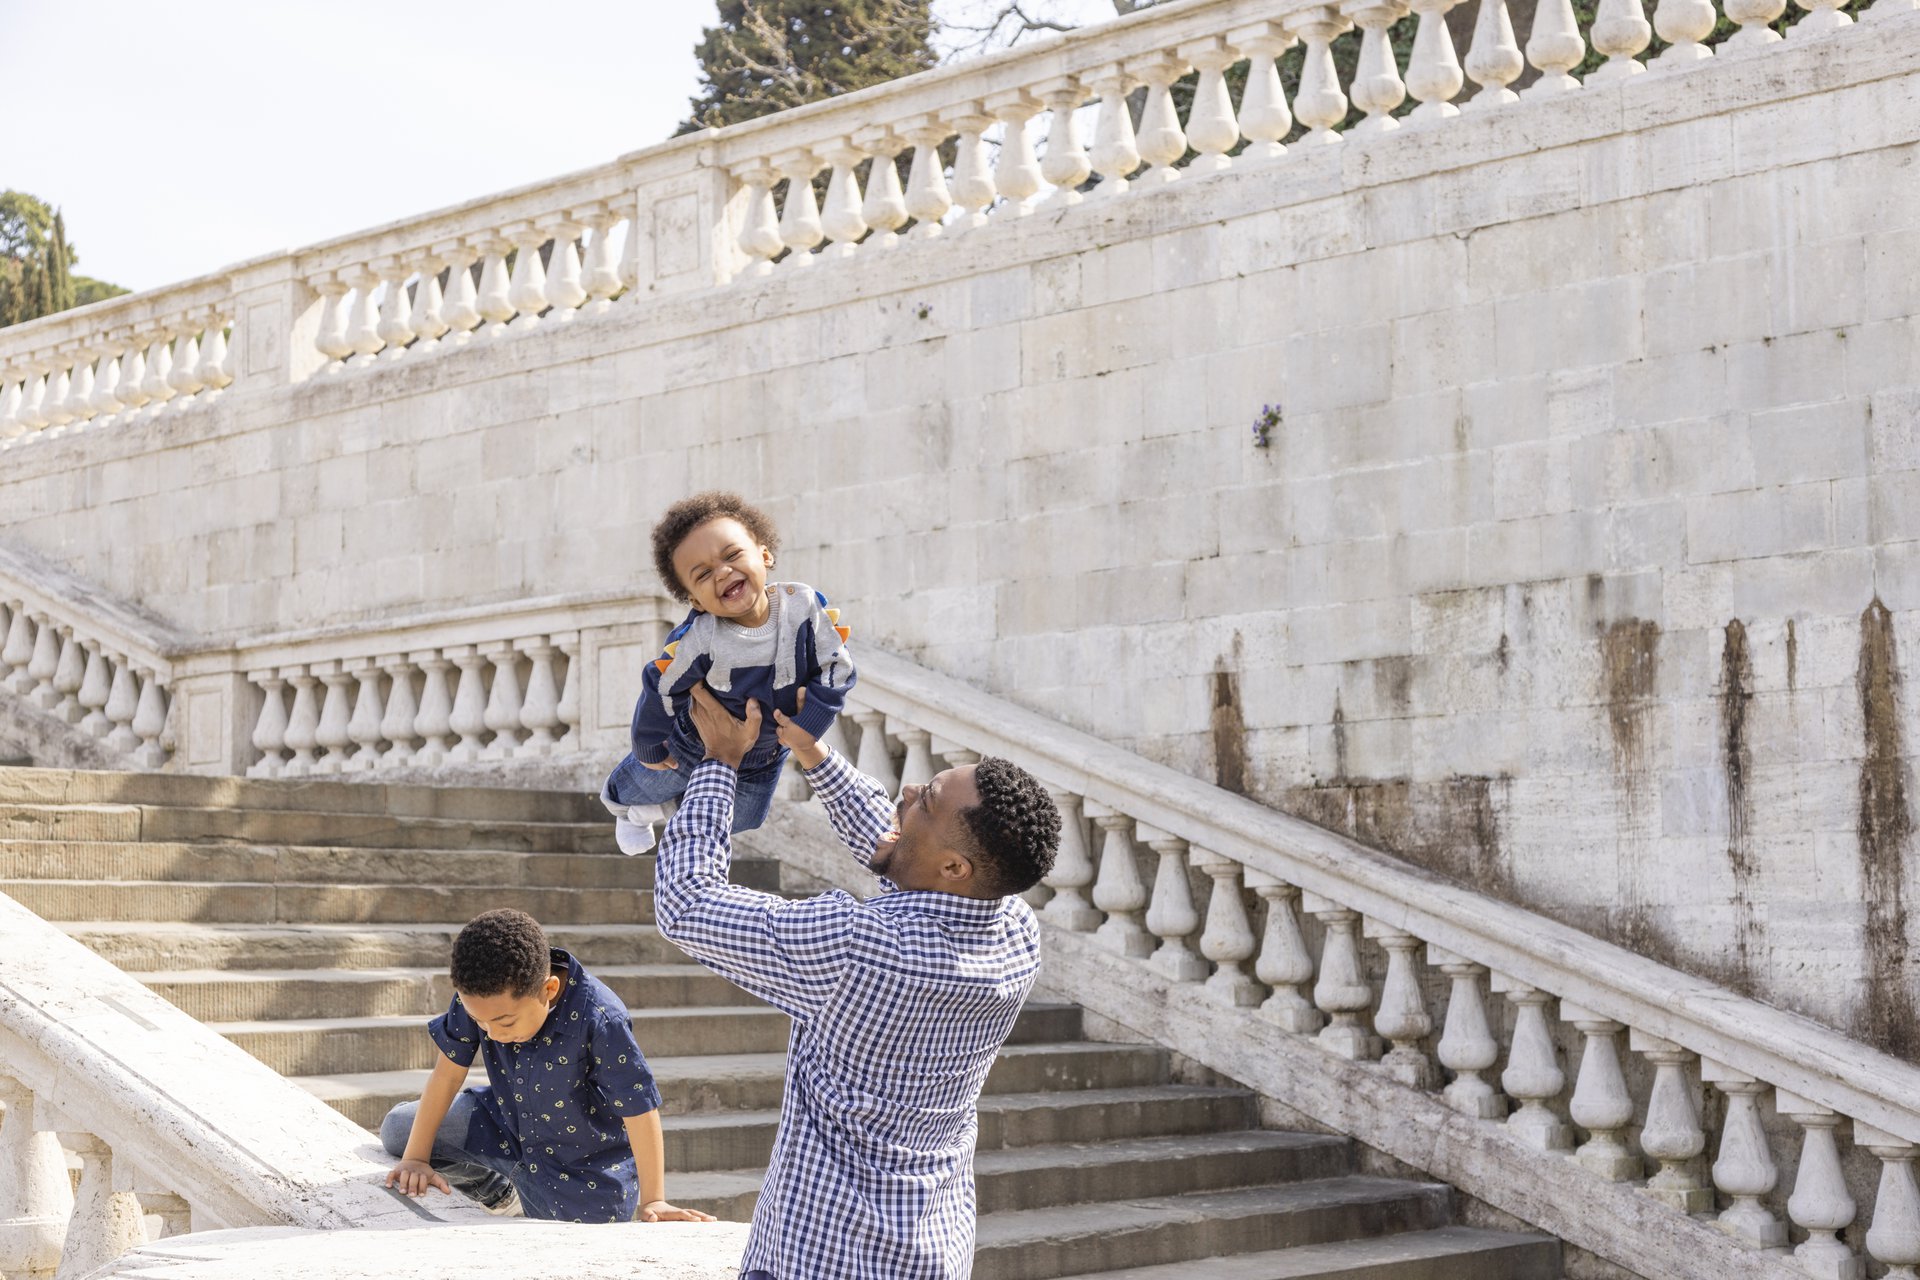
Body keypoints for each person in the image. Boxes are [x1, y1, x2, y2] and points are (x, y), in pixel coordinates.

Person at [654, 682, 1062, 1279]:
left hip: (823, 1255)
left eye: (926, 800)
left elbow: (687, 904)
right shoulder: (1015, 933)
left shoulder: (857, 946)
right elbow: (905, 854)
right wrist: (813, 753)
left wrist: (719, 763)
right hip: (932, 1250)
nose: (908, 791)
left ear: (955, 866)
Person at [380, 907, 715, 1225]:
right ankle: (498, 1192)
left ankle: (528, 1196)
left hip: (580, 1167)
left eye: (505, 1023)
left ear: (549, 990)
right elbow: (447, 1076)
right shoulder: (482, 997)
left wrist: (654, 1199)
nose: (492, 1034)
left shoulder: (600, 1017)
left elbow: (639, 1108)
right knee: (398, 1130)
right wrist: (416, 1159)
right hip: (505, 1125)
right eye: (480, 1023)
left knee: (584, 1245)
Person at [601, 491, 855, 854]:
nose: (722, 572)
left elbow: (837, 666)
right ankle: (624, 804)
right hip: (695, 741)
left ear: (764, 555)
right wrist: (648, 744)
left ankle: (660, 811)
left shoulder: (803, 605)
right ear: (696, 601)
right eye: (703, 574)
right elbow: (662, 685)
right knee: (649, 780)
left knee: (746, 816)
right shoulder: (701, 637)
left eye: (732, 555)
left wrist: (811, 722)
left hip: (766, 753)